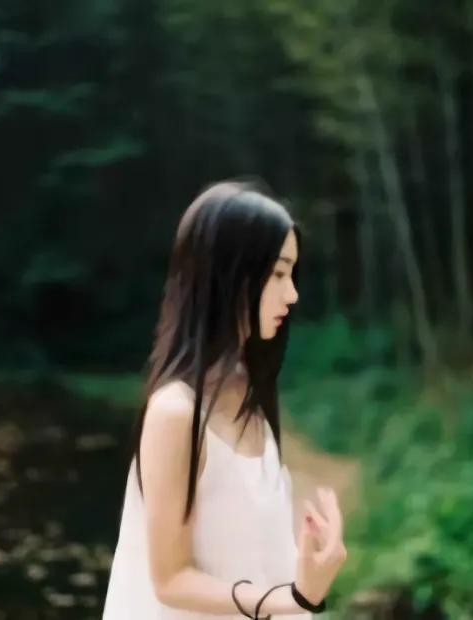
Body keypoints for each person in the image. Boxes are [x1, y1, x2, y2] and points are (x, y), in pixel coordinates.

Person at [102, 181, 348, 620]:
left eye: (291, 274)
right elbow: (171, 579)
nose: (292, 294)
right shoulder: (176, 413)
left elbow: (245, 555)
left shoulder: (247, 390)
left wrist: (307, 563)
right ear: (231, 275)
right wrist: (293, 598)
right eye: (278, 274)